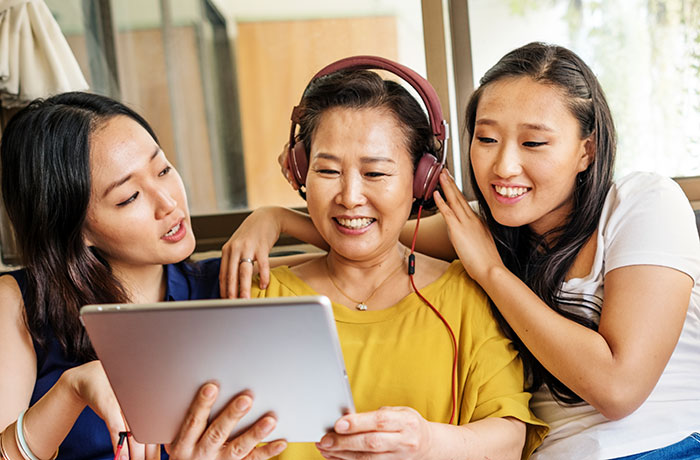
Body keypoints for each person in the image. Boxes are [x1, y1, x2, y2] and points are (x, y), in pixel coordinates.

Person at [221, 43, 700, 459]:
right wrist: (276, 218)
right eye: (486, 139)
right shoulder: (478, 226)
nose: (504, 165)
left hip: (664, 445)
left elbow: (618, 389)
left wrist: (491, 270)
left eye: (533, 142)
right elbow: (369, 243)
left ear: (587, 151)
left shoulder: (643, 203)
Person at [234, 64, 547, 460]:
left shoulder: (465, 295)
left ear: (421, 182)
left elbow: (509, 440)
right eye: (327, 170)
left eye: (375, 172)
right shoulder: (258, 295)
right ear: (300, 172)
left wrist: (428, 443)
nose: (349, 196)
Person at [0, 92, 287, 460]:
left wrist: (276, 218)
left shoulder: (228, 282)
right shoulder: (20, 303)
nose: (168, 202)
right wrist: (69, 392)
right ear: (75, 229)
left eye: (164, 170)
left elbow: (368, 262)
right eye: (129, 197)